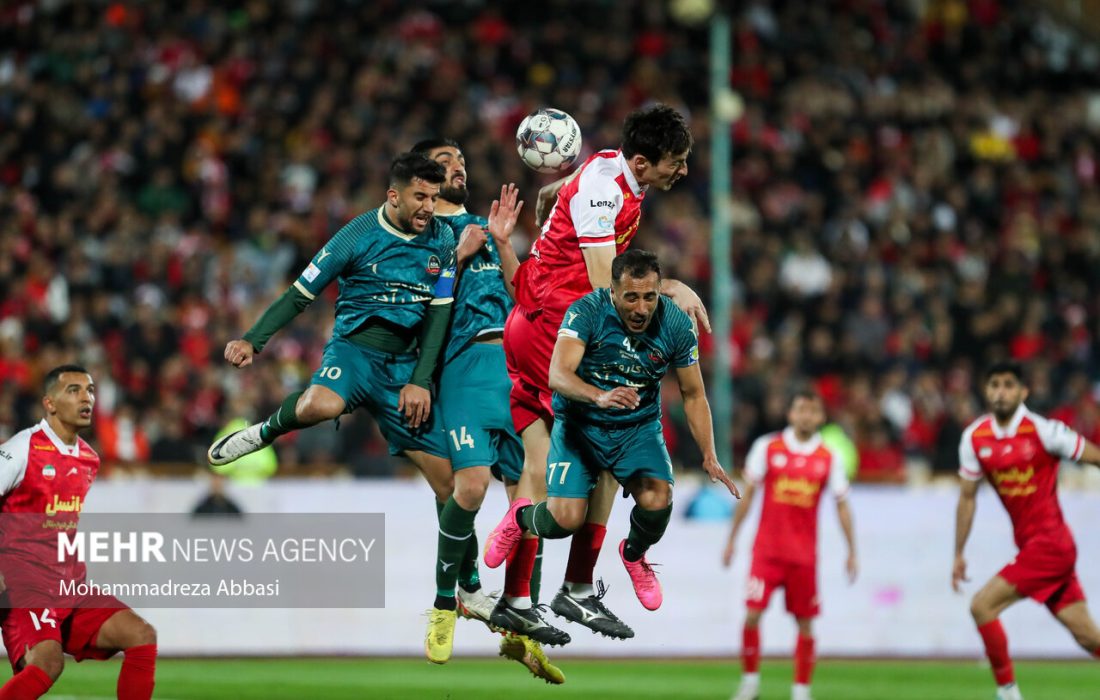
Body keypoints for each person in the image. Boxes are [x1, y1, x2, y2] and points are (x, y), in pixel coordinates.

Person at [491, 104, 711, 641]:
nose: (682, 170)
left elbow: (589, 181)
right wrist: (672, 291)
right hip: (555, 328)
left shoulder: (611, 169)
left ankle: (531, 597)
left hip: (540, 316)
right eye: (675, 162)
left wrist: (557, 190)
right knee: (576, 460)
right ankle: (566, 590)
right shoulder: (606, 193)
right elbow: (601, 289)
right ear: (643, 159)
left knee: (565, 462)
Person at [485, 250, 737, 625]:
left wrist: (709, 454)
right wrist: (599, 395)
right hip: (581, 424)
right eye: (631, 297)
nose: (641, 308)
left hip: (636, 426)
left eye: (649, 297)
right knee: (564, 522)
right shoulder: (586, 312)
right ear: (613, 293)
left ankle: (635, 554)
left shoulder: (676, 326)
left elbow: (694, 394)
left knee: (658, 498)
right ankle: (520, 519)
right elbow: (558, 375)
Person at [411, 138, 563, 683]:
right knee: (469, 487)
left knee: (531, 495)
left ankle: (524, 618)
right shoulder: (419, 234)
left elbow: (523, 289)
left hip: (516, 365)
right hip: (465, 364)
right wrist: (455, 256)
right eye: (445, 163)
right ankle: (443, 603)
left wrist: (501, 244)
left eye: (462, 163)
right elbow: (410, 303)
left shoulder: (487, 222)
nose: (458, 169)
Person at [0, 365, 157, 699]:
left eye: (90, 390)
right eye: (74, 390)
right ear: (50, 403)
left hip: (69, 585)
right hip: (23, 585)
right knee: (47, 664)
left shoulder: (89, 458)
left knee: (141, 634)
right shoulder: (20, 449)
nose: (86, 398)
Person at [953, 361, 1100, 700]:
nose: (1000, 392)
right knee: (1089, 638)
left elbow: (1093, 456)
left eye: (1008, 385)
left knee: (982, 607)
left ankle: (1008, 696)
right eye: (994, 385)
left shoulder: (1044, 431)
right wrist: (958, 553)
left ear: (1023, 392)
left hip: (1051, 546)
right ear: (985, 390)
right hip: (1034, 547)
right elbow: (967, 499)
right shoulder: (975, 438)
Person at [722, 389, 857, 700]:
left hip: (803, 558)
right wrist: (731, 539)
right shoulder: (767, 447)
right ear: (791, 414)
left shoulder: (829, 457)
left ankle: (800, 691)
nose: (806, 416)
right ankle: (750, 683)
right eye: (801, 409)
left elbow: (842, 505)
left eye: (813, 411)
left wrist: (852, 550)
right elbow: (749, 495)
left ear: (821, 417)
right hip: (767, 553)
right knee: (752, 615)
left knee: (806, 624)